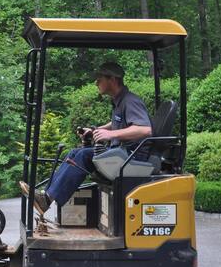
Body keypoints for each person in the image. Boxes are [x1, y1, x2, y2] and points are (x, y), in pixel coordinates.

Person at [20, 62, 152, 215]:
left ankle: (47, 199)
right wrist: (97, 130)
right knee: (75, 153)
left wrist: (111, 135)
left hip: (132, 157)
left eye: (100, 79)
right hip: (122, 154)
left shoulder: (130, 101)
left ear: (113, 79)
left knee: (83, 155)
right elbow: (119, 122)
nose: (96, 83)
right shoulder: (119, 101)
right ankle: (46, 196)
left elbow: (145, 129)